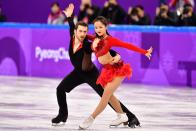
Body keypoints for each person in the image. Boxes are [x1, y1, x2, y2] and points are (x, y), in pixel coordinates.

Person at [51, 4, 141, 128]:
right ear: (75, 32)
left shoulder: (88, 44)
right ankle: (62, 115)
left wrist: (118, 55)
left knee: (107, 96)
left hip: (91, 74)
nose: (83, 34)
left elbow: (105, 49)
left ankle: (131, 117)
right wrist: (70, 16)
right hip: (77, 73)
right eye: (80, 31)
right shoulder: (72, 36)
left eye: (85, 31)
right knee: (60, 89)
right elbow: (71, 24)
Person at [79, 15, 152, 129]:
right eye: (96, 27)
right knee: (110, 95)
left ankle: (91, 118)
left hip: (118, 69)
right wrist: (75, 28)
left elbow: (127, 45)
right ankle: (122, 116)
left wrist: (144, 52)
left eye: (101, 27)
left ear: (106, 27)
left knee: (105, 96)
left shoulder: (110, 40)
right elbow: (83, 35)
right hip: (107, 70)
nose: (98, 30)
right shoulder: (95, 38)